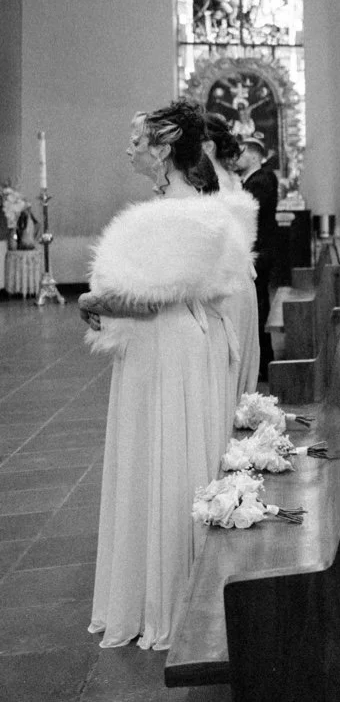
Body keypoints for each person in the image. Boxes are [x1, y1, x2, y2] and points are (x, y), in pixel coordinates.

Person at [82, 100, 252, 650]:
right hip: (181, 341)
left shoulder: (168, 215)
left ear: (163, 147)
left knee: (160, 452)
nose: (128, 149)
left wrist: (91, 300)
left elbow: (148, 299)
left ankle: (167, 598)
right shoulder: (198, 208)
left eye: (137, 140)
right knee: (173, 453)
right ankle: (178, 587)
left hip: (164, 345)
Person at [201, 113, 262, 398]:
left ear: (208, 146)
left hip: (227, 285)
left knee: (226, 366)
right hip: (239, 280)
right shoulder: (230, 180)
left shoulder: (210, 185)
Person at [237, 136, 279, 381]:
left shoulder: (261, 180)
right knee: (258, 303)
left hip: (260, 250)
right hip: (261, 249)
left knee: (259, 305)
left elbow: (250, 214)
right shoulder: (256, 179)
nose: (237, 157)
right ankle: (263, 360)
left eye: (241, 153)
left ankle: (264, 361)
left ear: (254, 155)